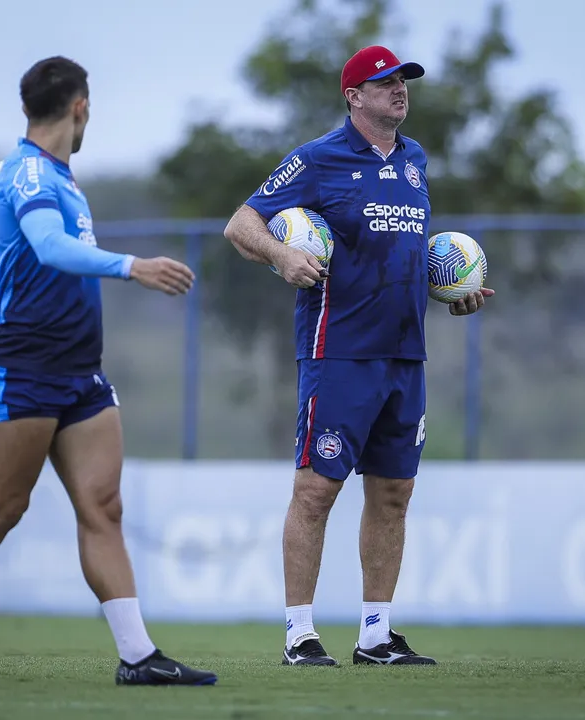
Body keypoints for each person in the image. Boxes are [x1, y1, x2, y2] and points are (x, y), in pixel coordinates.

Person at [0, 56, 217, 687]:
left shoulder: (63, 176)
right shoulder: (26, 174)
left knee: (103, 507)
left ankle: (138, 657)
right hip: (24, 365)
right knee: (2, 509)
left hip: (82, 371)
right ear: (80, 106)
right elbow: (50, 249)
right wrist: (133, 266)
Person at [223, 45, 494, 667]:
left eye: (404, 81)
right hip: (338, 352)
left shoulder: (415, 160)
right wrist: (282, 255)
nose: (399, 89)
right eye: (385, 82)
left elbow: (407, 250)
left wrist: (454, 289)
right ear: (354, 96)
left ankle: (375, 635)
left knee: (394, 492)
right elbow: (241, 224)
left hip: (406, 353)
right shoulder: (317, 159)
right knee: (317, 491)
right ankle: (299, 635)